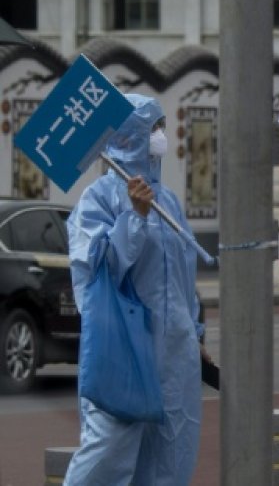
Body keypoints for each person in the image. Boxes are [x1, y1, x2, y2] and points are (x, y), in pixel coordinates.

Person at [64, 94, 205, 485]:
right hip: (124, 347)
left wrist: (193, 332)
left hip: (174, 353)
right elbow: (97, 272)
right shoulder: (98, 199)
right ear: (129, 136)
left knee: (169, 458)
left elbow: (183, 277)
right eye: (153, 127)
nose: (161, 135)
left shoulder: (169, 202)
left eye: (161, 125)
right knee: (107, 454)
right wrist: (133, 218)